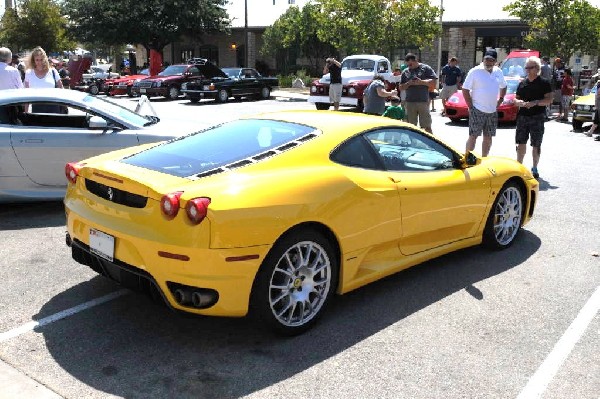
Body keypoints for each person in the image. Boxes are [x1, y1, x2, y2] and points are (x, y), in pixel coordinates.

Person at [513, 56, 553, 179]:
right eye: (526, 68)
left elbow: (549, 99)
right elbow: (516, 98)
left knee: (536, 144)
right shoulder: (522, 83)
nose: (527, 70)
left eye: (530, 68)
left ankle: (534, 167)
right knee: (520, 142)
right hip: (523, 117)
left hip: (537, 117)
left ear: (537, 68)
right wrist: (517, 102)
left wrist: (535, 102)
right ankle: (519, 167)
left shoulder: (544, 83)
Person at [462, 49, 507, 157]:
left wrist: (500, 99)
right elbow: (465, 89)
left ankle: (484, 159)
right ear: (483, 59)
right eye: (486, 59)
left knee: (488, 137)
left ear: (495, 61)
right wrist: (471, 107)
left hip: (492, 110)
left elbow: (504, 86)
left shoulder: (498, 71)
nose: (488, 62)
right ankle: (467, 159)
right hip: (477, 109)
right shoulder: (475, 71)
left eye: (491, 60)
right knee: (473, 135)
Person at [399, 53, 437, 133]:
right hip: (410, 102)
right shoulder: (405, 72)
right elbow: (401, 87)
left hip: (423, 101)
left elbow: (433, 82)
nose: (409, 66)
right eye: (408, 64)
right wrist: (409, 83)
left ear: (416, 61)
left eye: (411, 64)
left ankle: (430, 144)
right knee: (411, 127)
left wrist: (421, 82)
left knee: (427, 126)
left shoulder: (426, 68)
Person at [24, 46, 64, 113]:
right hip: (36, 107)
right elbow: (26, 95)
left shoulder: (53, 71)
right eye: (37, 60)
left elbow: (61, 89)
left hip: (53, 106)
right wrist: (26, 112)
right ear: (33, 60)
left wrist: (63, 105)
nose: (39, 62)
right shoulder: (29, 73)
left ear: (45, 59)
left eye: (41, 59)